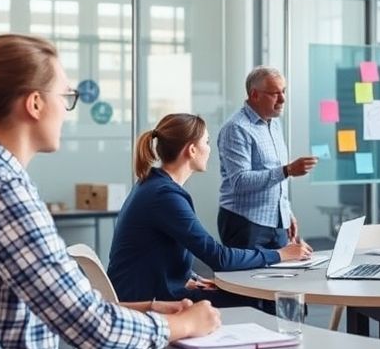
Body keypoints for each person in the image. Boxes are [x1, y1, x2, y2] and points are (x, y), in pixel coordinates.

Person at [0, 34, 220, 349]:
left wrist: (149, 309)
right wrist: (184, 325)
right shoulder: (4, 194)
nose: (67, 110)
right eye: (66, 96)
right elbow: (93, 330)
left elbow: (60, 304)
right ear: (34, 104)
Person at [107, 113, 313, 311]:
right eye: (206, 142)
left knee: (254, 296)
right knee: (265, 301)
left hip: (147, 290)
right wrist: (281, 254)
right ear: (192, 150)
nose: (209, 149)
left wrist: (191, 278)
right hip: (148, 300)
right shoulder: (164, 195)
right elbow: (218, 257)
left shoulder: (153, 185)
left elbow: (156, 250)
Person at [217, 66, 317, 253]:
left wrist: (286, 213)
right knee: (245, 281)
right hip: (245, 224)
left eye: (284, 91)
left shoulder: (274, 124)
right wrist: (287, 171)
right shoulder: (236, 128)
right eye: (275, 93)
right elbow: (240, 182)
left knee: (282, 279)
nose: (283, 99)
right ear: (255, 95)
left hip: (276, 222)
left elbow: (275, 177)